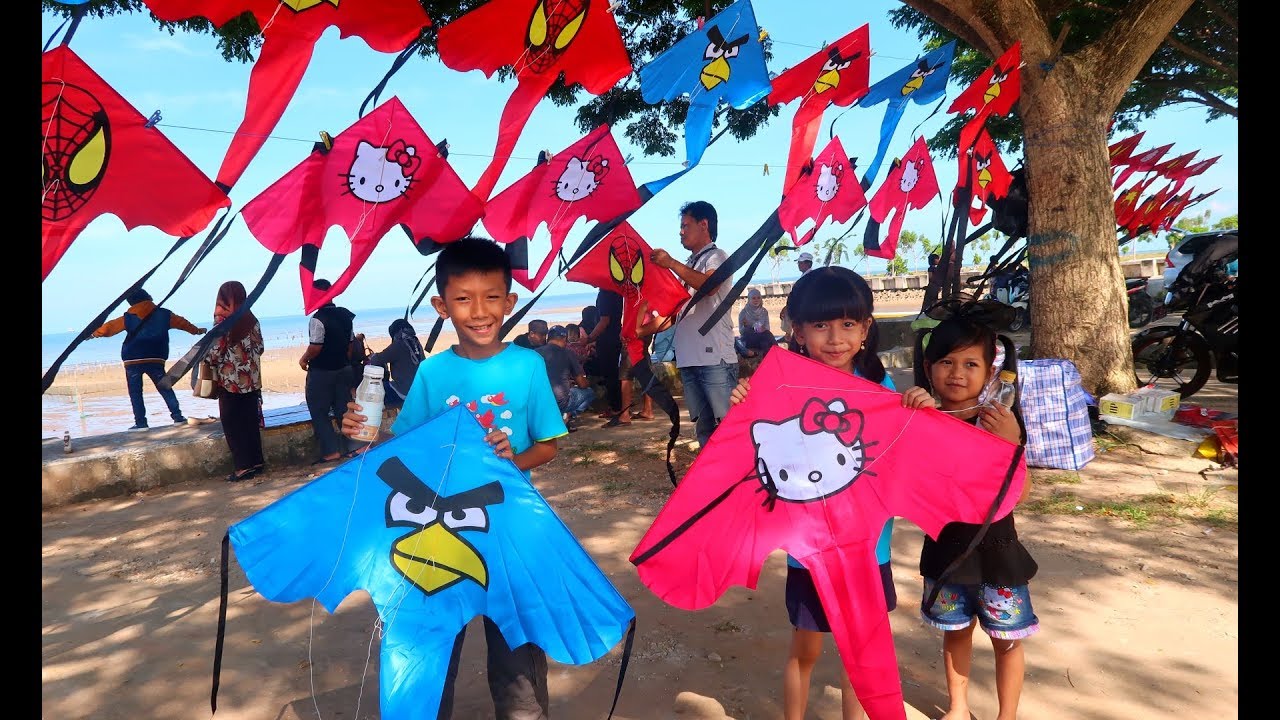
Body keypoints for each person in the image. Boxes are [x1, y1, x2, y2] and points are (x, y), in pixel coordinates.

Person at [340, 235, 566, 719]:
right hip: (435, 533)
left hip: (510, 536)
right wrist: (364, 434)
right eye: (463, 299)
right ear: (443, 306)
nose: (479, 311)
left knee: (518, 663)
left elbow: (548, 445)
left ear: (510, 301)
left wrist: (514, 460)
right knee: (432, 647)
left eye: (491, 298)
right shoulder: (433, 373)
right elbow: (407, 451)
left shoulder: (528, 365)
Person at [727, 266, 898, 720]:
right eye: (821, 325)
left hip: (869, 551)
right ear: (798, 331)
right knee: (805, 651)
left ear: (866, 328)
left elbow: (901, 455)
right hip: (809, 552)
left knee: (858, 654)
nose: (835, 337)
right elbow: (746, 455)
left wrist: (916, 407)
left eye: (848, 324)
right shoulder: (779, 387)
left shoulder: (883, 388)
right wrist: (745, 404)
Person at [899, 312, 1038, 720]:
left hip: (997, 551)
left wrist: (1010, 444)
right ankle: (957, 708)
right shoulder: (920, 421)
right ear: (928, 368)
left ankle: (1005, 715)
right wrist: (913, 417)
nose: (957, 373)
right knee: (955, 634)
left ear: (989, 370)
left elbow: (1020, 495)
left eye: (970, 364)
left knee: (1007, 640)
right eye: (946, 362)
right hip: (946, 552)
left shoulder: (999, 421)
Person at [649, 200, 738, 449]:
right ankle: (712, 481)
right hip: (689, 359)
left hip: (714, 358)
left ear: (704, 224)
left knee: (727, 427)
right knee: (704, 429)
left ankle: (732, 481)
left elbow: (710, 287)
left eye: (685, 225)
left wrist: (671, 264)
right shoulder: (690, 264)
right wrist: (641, 332)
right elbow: (677, 312)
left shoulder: (717, 257)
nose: (681, 232)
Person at [91, 286, 206, 430]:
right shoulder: (165, 315)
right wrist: (197, 331)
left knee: (135, 392)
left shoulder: (128, 318)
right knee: (165, 387)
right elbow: (183, 323)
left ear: (131, 303)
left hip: (132, 359)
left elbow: (109, 328)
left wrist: (93, 334)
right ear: (148, 297)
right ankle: (177, 417)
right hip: (156, 358)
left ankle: (141, 423)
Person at [205, 281, 265, 482]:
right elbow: (260, 348)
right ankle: (256, 462)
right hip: (252, 381)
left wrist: (208, 361)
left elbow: (214, 351)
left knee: (232, 424)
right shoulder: (251, 318)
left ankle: (243, 466)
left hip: (230, 381)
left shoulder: (223, 320)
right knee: (249, 422)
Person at [298, 279, 357, 464]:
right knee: (344, 409)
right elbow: (350, 345)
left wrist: (304, 359)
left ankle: (331, 451)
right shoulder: (346, 316)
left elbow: (315, 347)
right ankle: (353, 448)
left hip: (322, 371)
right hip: (344, 368)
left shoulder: (317, 319)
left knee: (319, 410)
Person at [537, 325, 594, 431]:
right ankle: (567, 415)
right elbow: (582, 383)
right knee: (589, 393)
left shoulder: (535, 353)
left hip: (539, 401)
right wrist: (587, 383)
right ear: (564, 339)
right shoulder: (567, 353)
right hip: (560, 401)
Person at [365, 318, 424, 413]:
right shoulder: (416, 343)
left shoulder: (399, 345)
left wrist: (372, 356)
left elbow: (377, 359)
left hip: (405, 392)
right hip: (420, 390)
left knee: (373, 389)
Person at [584, 289, 624, 423]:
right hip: (615, 336)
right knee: (613, 374)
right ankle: (617, 406)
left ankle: (616, 408)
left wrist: (590, 338)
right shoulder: (616, 293)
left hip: (607, 340)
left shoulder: (605, 294)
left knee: (609, 375)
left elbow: (604, 321)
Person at [779, 252, 817, 345]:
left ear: (808, 263)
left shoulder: (810, 277)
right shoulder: (806, 276)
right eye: (799, 263)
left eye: (801, 263)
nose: (799, 265)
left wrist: (788, 307)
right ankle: (789, 335)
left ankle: (790, 337)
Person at [738, 287, 776, 358]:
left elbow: (767, 328)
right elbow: (741, 332)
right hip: (749, 338)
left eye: (758, 298)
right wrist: (745, 326)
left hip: (762, 337)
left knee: (765, 341)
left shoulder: (764, 311)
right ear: (749, 299)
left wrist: (763, 329)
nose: (756, 300)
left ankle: (770, 361)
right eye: (753, 298)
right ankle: (777, 355)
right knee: (767, 336)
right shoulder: (743, 313)